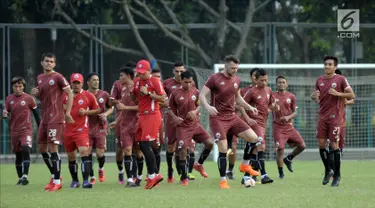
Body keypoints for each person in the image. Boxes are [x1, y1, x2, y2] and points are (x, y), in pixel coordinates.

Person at [199, 54, 262, 189]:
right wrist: (208, 106)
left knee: (254, 138)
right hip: (218, 118)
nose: (235, 71)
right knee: (223, 147)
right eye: (232, 68)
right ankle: (223, 181)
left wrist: (250, 107)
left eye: (237, 68)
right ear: (225, 65)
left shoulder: (237, 80)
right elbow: (201, 95)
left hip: (232, 117)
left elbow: (238, 98)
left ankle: (244, 164)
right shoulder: (214, 78)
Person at [31, 53, 74, 192]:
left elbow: (70, 93)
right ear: (41, 63)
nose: (49, 63)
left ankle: (57, 181)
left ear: (54, 64)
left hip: (56, 117)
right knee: (42, 148)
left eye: (51, 61)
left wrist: (67, 112)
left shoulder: (58, 77)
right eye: (46, 61)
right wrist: (37, 93)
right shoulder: (40, 78)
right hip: (45, 118)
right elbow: (44, 95)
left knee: (52, 148)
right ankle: (54, 176)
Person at [311, 56, 355, 187]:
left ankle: (337, 175)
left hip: (336, 118)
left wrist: (338, 94)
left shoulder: (340, 79)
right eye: (325, 64)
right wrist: (313, 96)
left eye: (330, 64)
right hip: (322, 117)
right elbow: (317, 96)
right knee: (321, 144)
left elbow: (352, 95)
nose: (327, 66)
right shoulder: (319, 80)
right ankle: (327, 170)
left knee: (335, 145)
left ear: (335, 67)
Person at [168, 71, 214, 185]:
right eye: (186, 82)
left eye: (190, 82)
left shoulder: (196, 91)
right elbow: (168, 109)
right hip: (182, 126)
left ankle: (198, 164)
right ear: (181, 81)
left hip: (195, 125)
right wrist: (175, 118)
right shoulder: (175, 93)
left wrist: (195, 111)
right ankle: (184, 178)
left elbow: (199, 105)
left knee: (210, 143)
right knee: (183, 149)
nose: (188, 84)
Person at [239, 69, 278, 184]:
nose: (264, 82)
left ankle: (247, 176)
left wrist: (274, 107)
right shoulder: (251, 91)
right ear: (256, 79)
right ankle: (264, 175)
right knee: (261, 147)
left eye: (266, 80)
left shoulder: (269, 90)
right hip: (255, 123)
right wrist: (247, 118)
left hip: (263, 123)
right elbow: (241, 104)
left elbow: (270, 106)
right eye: (262, 80)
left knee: (255, 151)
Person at [131, 60, 165, 189]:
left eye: (142, 73)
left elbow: (162, 98)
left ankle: (153, 176)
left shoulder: (154, 81)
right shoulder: (137, 82)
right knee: (140, 144)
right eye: (138, 73)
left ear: (149, 71)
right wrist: (133, 92)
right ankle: (154, 174)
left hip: (152, 115)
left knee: (145, 144)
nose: (140, 75)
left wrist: (148, 93)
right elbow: (135, 100)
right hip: (141, 115)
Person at [63, 73, 100, 189]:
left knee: (84, 152)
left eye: (78, 83)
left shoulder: (88, 96)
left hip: (81, 130)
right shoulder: (64, 96)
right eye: (74, 83)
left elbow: (98, 110)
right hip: (67, 130)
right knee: (71, 157)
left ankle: (85, 181)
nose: (76, 85)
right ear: (70, 83)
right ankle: (75, 181)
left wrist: (86, 112)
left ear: (82, 83)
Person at [110, 64, 144, 185]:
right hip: (125, 126)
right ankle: (129, 179)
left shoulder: (138, 89)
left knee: (139, 152)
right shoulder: (123, 90)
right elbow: (123, 111)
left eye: (121, 76)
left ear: (129, 76)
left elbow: (142, 107)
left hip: (137, 125)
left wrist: (126, 107)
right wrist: (116, 121)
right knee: (127, 151)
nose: (119, 78)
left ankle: (139, 177)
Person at [3, 77, 41, 186]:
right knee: (18, 155)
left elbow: (36, 115)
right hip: (15, 131)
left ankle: (25, 176)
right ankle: (20, 178)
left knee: (26, 149)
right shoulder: (9, 99)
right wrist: (4, 115)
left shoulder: (29, 99)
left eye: (20, 86)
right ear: (12, 87)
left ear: (23, 87)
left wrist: (41, 127)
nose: (18, 88)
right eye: (15, 86)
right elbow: (5, 114)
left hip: (26, 130)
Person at [163, 61, 196, 182]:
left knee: (187, 147)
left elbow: (195, 99)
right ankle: (170, 170)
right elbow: (161, 100)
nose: (178, 73)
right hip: (172, 121)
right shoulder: (166, 83)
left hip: (187, 122)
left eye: (181, 71)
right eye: (176, 71)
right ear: (173, 71)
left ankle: (186, 173)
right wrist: (166, 103)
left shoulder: (190, 83)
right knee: (171, 146)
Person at [226, 67, 258, 180]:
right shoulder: (245, 90)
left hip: (243, 121)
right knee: (229, 147)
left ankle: (243, 172)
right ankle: (229, 170)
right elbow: (238, 104)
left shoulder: (266, 90)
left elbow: (240, 103)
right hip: (227, 120)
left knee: (254, 144)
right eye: (254, 75)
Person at [272, 76, 305, 179]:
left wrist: (288, 117)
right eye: (279, 82)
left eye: (283, 82)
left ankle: (289, 158)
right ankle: (281, 173)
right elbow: (268, 107)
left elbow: (295, 112)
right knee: (280, 149)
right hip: (278, 127)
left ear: (286, 84)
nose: (281, 84)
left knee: (302, 145)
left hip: (289, 126)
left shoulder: (291, 96)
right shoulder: (272, 96)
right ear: (276, 84)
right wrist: (273, 107)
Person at [86, 72, 114, 184]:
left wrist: (105, 114)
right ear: (88, 82)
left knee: (100, 154)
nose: (96, 82)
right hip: (87, 127)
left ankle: (101, 169)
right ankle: (91, 176)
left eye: (97, 80)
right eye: (93, 80)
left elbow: (111, 108)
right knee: (87, 152)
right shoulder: (84, 94)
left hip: (100, 126)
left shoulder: (104, 94)